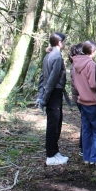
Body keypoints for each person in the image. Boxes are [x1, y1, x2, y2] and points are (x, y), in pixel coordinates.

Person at [37, 32, 69, 165]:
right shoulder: (56, 56)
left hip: (52, 92)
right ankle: (51, 155)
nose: (65, 44)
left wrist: (42, 94)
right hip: (54, 92)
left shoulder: (49, 55)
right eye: (64, 41)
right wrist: (44, 98)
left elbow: (42, 78)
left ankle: (55, 152)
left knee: (56, 122)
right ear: (59, 42)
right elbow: (51, 79)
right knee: (53, 124)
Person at [72, 40, 96, 164]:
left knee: (86, 130)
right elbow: (93, 84)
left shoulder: (76, 64)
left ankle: (87, 157)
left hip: (82, 101)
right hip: (93, 102)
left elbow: (75, 83)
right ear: (92, 51)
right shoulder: (91, 64)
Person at [68, 43, 84, 156]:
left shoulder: (74, 63)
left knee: (85, 122)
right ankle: (84, 147)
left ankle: (83, 146)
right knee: (87, 123)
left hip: (78, 97)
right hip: (82, 97)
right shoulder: (79, 64)